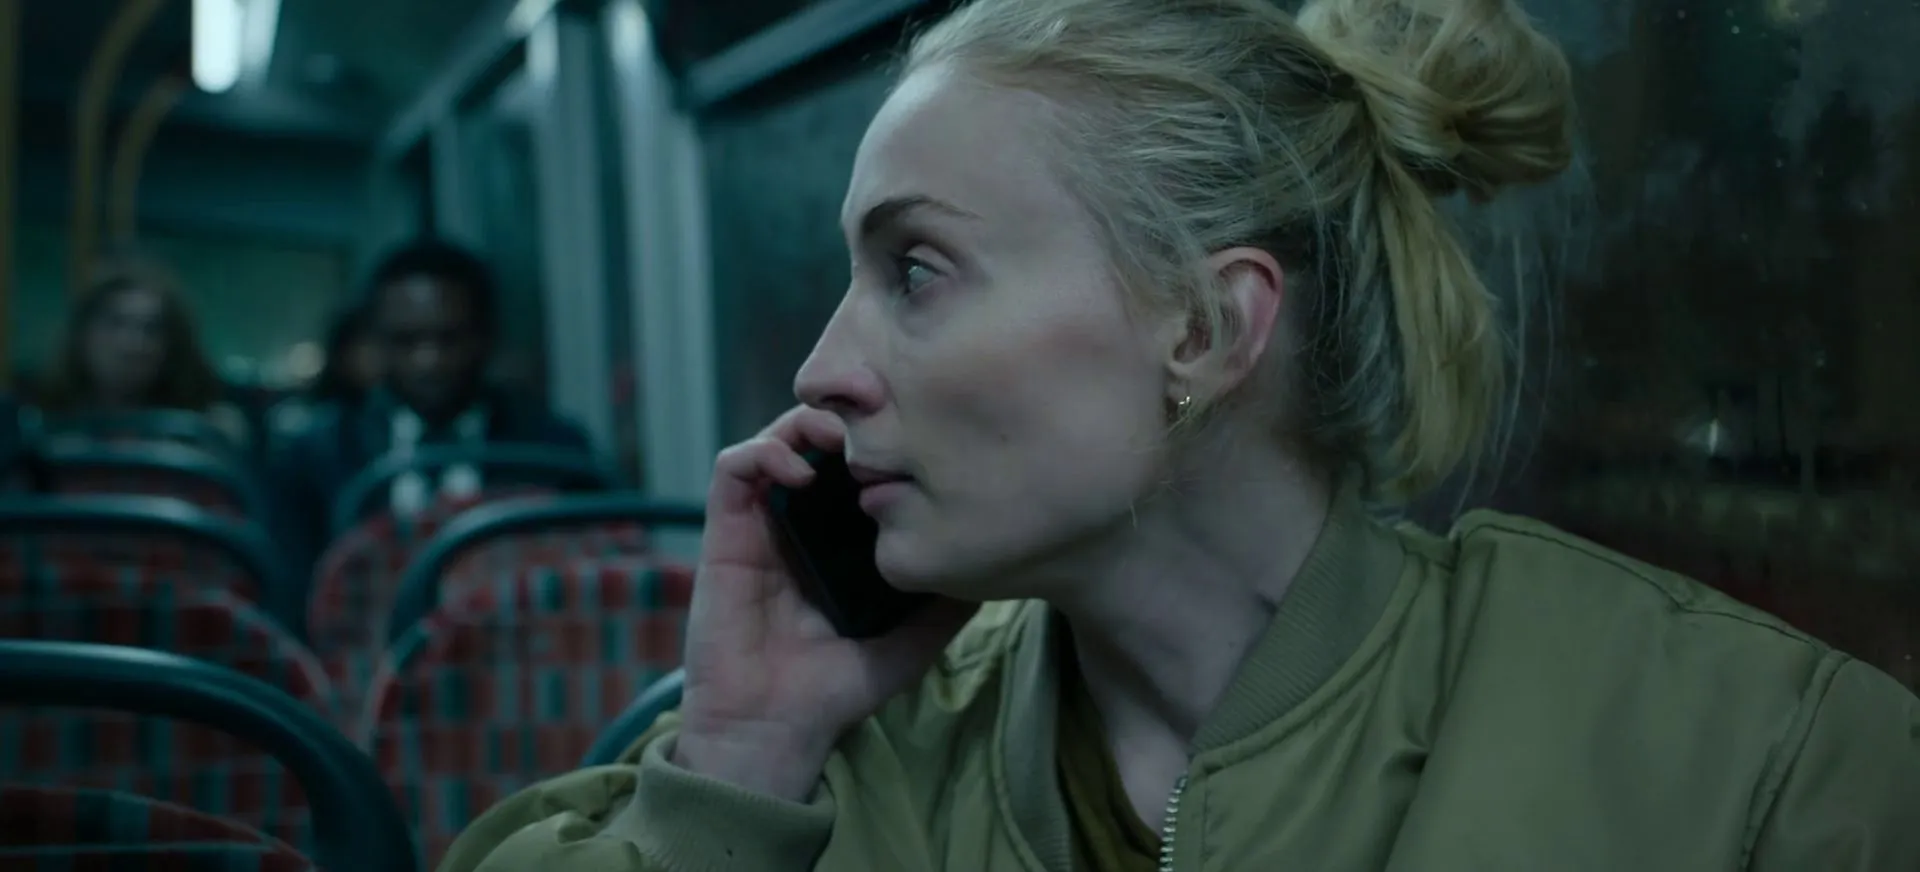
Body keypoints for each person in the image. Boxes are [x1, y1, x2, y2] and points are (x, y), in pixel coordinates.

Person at [443, 0, 1920, 869]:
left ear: (1208, 331)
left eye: (917, 270)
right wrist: (739, 763)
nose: (821, 372)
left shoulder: (1752, 766)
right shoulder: (844, 759)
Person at [269, 239, 591, 569]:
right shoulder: (318, 454)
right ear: (376, 341)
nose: (428, 361)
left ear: (486, 336)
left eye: (449, 339)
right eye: (406, 340)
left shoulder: (554, 449)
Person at [37, 260, 250, 446]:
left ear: (172, 345)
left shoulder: (203, 429)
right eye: (115, 323)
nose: (131, 344)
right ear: (83, 334)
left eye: (150, 329)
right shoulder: (41, 426)